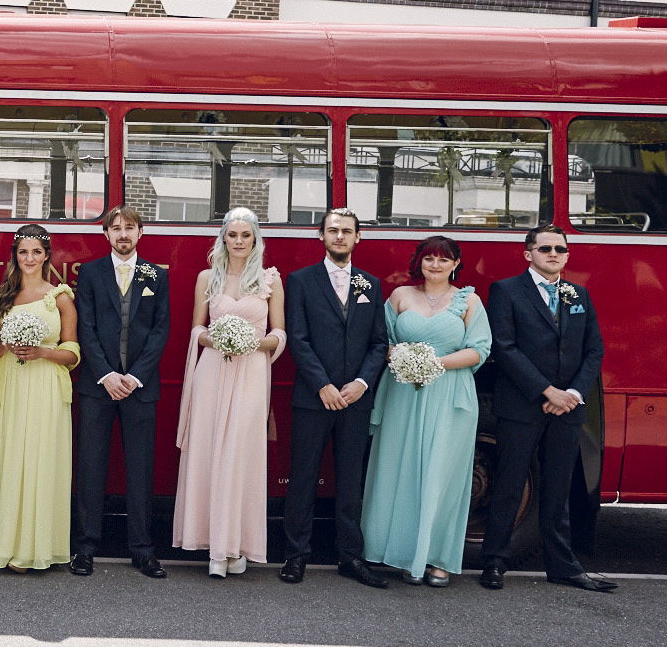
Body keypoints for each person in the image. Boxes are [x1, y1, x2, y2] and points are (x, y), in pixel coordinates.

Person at [480, 226, 614, 592]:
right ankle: (494, 562)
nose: (553, 254)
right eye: (545, 248)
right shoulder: (506, 291)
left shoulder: (578, 294)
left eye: (560, 249)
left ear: (567, 255)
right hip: (521, 406)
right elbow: (504, 348)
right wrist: (546, 390)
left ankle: (562, 566)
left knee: (558, 489)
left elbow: (594, 350)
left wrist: (572, 392)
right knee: (508, 485)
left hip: (567, 409)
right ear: (529, 254)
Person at [361, 235, 491, 587]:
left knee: (441, 474)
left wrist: (434, 364)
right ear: (419, 262)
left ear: (455, 264)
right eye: (429, 258)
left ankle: (437, 558)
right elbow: (381, 341)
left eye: (444, 259)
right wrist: (404, 359)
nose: (436, 265)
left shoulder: (469, 300)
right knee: (400, 469)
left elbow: (480, 349)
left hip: (450, 395)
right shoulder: (401, 296)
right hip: (403, 393)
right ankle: (404, 553)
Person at [280, 208, 389, 588]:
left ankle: (350, 557)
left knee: (350, 479)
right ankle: (296, 555)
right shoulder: (301, 281)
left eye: (346, 231)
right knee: (303, 477)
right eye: (332, 230)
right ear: (321, 236)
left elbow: (379, 342)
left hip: (355, 398)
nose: (339, 236)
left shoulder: (370, 284)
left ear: (358, 237)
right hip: (314, 398)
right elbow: (298, 337)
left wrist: (361, 382)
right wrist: (321, 384)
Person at [173, 208, 285, 577]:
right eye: (232, 235)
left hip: (252, 373)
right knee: (209, 452)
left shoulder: (270, 281)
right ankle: (214, 550)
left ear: (255, 240)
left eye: (246, 235)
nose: (239, 242)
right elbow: (196, 331)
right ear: (223, 238)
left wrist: (251, 343)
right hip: (213, 372)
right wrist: (219, 338)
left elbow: (279, 335)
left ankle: (236, 545)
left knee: (240, 453)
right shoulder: (208, 277)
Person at [71, 205, 171, 579]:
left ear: (140, 233)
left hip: (141, 389)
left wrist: (136, 377)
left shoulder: (156, 276)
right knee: (91, 467)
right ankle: (85, 548)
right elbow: (86, 328)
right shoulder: (91, 273)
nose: (123, 234)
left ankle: (143, 550)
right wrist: (108, 375)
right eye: (117, 228)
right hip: (99, 387)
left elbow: (161, 330)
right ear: (107, 235)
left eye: (130, 228)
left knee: (140, 470)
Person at [0, 224, 79, 573]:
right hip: (9, 386)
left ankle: (36, 548)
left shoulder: (60, 296)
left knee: (40, 460)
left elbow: (74, 351)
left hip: (45, 388)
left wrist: (42, 353)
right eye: (23, 252)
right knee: (8, 458)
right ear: (15, 256)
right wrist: (5, 346)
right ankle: (2, 544)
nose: (29, 258)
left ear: (47, 255)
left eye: (36, 252)